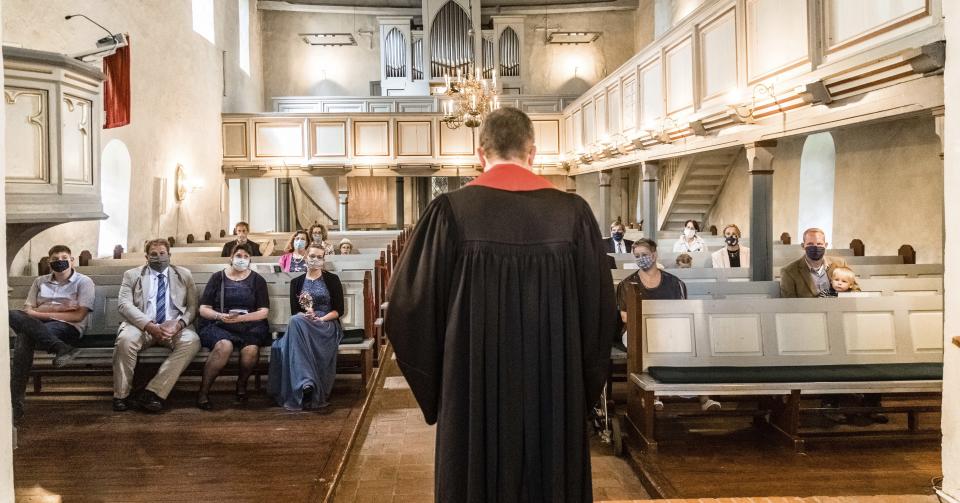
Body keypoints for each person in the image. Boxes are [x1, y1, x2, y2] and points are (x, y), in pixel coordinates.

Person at [385, 107, 617, 502]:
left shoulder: (449, 212)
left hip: (473, 386)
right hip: (554, 385)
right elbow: (599, 313)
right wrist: (580, 386)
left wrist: (444, 383)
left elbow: (408, 306)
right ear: (533, 153)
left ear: (480, 154)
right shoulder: (573, 214)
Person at [617, 239, 720, 412]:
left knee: (693, 343)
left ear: (654, 255)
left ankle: (703, 396)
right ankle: (653, 395)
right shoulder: (627, 284)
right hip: (638, 330)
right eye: (637, 256)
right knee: (650, 344)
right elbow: (626, 317)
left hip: (671, 329)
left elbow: (683, 313)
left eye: (645, 255)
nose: (641, 259)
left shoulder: (674, 283)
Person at [9, 245, 95, 422]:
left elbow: (78, 315)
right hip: (38, 325)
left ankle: (15, 403)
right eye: (55, 259)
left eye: (64, 258)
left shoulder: (84, 282)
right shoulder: (40, 282)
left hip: (68, 327)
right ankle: (60, 348)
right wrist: (61, 307)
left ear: (72, 261)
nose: (60, 262)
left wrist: (41, 311)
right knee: (11, 314)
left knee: (25, 337)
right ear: (49, 263)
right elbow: (27, 310)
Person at [113, 239, 200, 413]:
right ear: (146, 256)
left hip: (173, 327)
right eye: (153, 254)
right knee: (125, 340)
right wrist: (149, 325)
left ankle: (153, 392)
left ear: (169, 255)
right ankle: (122, 395)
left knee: (192, 341)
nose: (158, 257)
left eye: (162, 253)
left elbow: (192, 307)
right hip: (141, 326)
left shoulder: (184, 274)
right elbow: (124, 304)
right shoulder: (132, 275)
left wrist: (179, 324)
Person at [196, 242, 271, 410]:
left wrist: (242, 319)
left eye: (246, 257)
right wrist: (220, 316)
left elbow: (263, 311)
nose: (242, 259)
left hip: (250, 324)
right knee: (224, 346)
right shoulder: (218, 278)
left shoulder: (257, 280)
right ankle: (204, 391)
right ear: (231, 258)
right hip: (219, 323)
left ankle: (242, 385)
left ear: (250, 259)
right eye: (238, 256)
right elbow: (203, 309)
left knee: (251, 350)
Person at [269, 244, 344, 410]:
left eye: (319, 257)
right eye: (312, 256)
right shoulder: (296, 282)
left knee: (296, 323)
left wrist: (321, 318)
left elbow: (339, 310)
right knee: (296, 320)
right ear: (305, 257)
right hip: (303, 323)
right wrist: (308, 314)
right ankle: (306, 383)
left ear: (323, 260)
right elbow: (295, 311)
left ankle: (304, 382)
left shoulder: (332, 280)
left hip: (326, 324)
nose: (315, 260)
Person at [780, 228, 832, 298]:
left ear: (825, 245)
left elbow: (850, 291)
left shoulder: (839, 264)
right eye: (810, 244)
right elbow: (790, 304)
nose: (815, 247)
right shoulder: (789, 272)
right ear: (803, 246)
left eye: (819, 244)